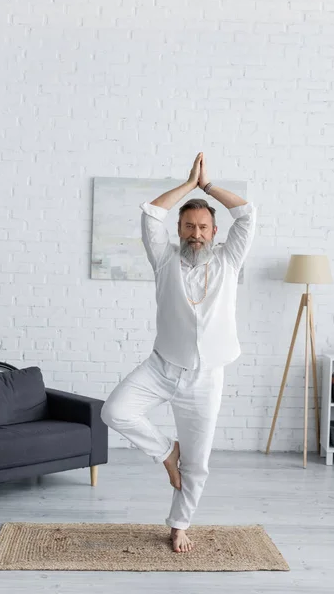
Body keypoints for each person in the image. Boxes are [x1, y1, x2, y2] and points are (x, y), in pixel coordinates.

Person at [101, 152, 256, 553]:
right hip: (162, 366)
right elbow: (152, 214)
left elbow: (247, 214)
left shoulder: (229, 260)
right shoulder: (164, 258)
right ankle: (166, 451)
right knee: (114, 411)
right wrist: (188, 185)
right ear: (180, 229)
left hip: (207, 376)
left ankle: (179, 525)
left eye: (203, 227)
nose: (196, 233)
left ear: (214, 229)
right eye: (189, 226)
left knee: (199, 463)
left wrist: (208, 187)